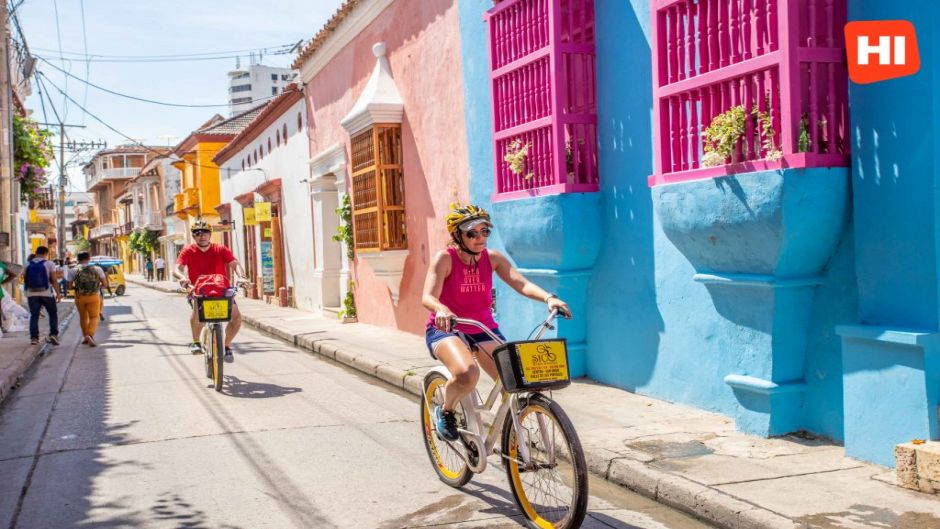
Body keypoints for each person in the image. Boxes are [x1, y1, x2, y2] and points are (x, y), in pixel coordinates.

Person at [422, 204, 571, 441]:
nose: (480, 238)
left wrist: (549, 298)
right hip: (447, 329)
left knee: (512, 382)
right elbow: (427, 296)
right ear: (458, 235)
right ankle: (447, 410)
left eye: (485, 231)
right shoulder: (445, 259)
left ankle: (514, 440)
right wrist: (441, 308)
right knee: (467, 374)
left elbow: (520, 283)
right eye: (472, 233)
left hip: (483, 330)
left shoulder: (493, 259)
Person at [173, 219, 245, 362]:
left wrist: (242, 277)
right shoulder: (188, 250)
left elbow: (234, 263)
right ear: (194, 236)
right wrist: (182, 278)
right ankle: (196, 342)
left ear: (210, 234)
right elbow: (177, 267)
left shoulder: (221, 249)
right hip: (198, 290)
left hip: (221, 291)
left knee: (236, 318)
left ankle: (226, 346)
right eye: (198, 233)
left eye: (205, 232)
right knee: (198, 312)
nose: (202, 235)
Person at [68, 252, 110, 347]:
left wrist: (79, 288)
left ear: (78, 259)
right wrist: (97, 287)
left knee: (83, 317)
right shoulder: (97, 269)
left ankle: (85, 337)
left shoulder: (73, 270)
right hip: (94, 296)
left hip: (79, 297)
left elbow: (69, 287)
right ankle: (89, 335)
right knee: (94, 317)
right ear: (89, 258)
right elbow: (105, 284)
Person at [24, 246, 61, 346]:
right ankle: (53, 334)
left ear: (36, 253)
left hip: (31, 293)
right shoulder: (49, 263)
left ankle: (34, 338)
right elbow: (53, 280)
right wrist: (58, 293)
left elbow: (25, 279)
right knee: (53, 313)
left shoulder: (27, 264)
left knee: (34, 315)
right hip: (46, 293)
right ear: (46, 253)